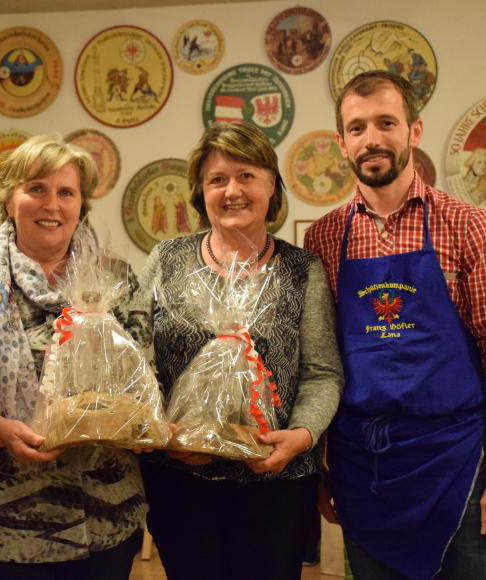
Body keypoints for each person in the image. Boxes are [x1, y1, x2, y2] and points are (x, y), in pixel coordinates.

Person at [0, 134, 146, 580]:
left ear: (82, 205)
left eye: (66, 192)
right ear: (9, 199)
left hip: (104, 523)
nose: (52, 205)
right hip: (0, 530)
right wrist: (3, 432)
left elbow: (145, 382)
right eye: (36, 189)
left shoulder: (116, 280)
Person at [131, 122, 343, 580]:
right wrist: (163, 431)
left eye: (246, 175)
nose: (232, 191)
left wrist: (302, 435)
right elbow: (136, 358)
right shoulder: (167, 259)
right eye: (217, 179)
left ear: (272, 186)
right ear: (200, 192)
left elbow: (323, 372)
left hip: (279, 482)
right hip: (178, 476)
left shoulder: (303, 270)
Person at [304, 70, 486, 579]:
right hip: (365, 472)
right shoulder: (324, 238)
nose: (373, 139)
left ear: (414, 131)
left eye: (387, 122)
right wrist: (322, 468)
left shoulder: (466, 225)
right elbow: (321, 363)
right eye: (357, 128)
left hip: (459, 465)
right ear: (342, 143)